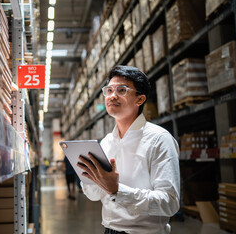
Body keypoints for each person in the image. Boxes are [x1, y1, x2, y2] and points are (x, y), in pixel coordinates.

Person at [77, 65, 180, 234]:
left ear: (140, 99)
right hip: (109, 230)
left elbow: (169, 202)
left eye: (122, 90)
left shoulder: (159, 139)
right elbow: (94, 195)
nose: (112, 96)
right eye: (109, 90)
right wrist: (89, 176)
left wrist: (117, 190)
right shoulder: (106, 142)